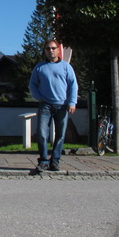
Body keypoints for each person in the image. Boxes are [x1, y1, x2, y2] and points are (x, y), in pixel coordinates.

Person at [29, 39, 78, 172]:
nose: (51, 51)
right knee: (41, 134)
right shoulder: (39, 67)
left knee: (60, 135)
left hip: (62, 106)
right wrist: (38, 97)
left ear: (58, 50)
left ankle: (55, 161)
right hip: (45, 105)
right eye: (48, 48)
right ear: (45, 51)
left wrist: (72, 102)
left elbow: (73, 85)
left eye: (53, 48)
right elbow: (32, 84)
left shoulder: (66, 67)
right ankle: (44, 161)